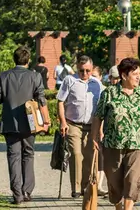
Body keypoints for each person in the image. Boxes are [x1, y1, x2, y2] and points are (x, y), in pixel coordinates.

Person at [93, 57, 140, 210]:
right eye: (135, 73)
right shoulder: (109, 93)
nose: (138, 77)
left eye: (139, 73)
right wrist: (95, 137)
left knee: (132, 180)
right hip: (112, 145)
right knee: (115, 184)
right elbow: (98, 116)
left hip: (138, 144)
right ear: (124, 75)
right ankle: (118, 206)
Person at [0, 46, 47, 205]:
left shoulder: (3, 76)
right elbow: (41, 99)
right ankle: (27, 190)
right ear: (28, 60)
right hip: (30, 123)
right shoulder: (35, 77)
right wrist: (45, 120)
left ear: (14, 59)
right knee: (28, 154)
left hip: (10, 123)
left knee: (13, 157)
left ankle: (17, 194)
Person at [58, 55, 103, 200]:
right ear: (77, 68)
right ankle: (76, 188)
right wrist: (63, 122)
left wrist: (101, 128)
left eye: (88, 71)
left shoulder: (97, 84)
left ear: (92, 68)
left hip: (92, 126)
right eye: (82, 70)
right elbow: (60, 102)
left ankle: (86, 186)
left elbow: (103, 105)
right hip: (73, 124)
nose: (85, 74)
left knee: (90, 157)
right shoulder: (69, 80)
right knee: (77, 155)